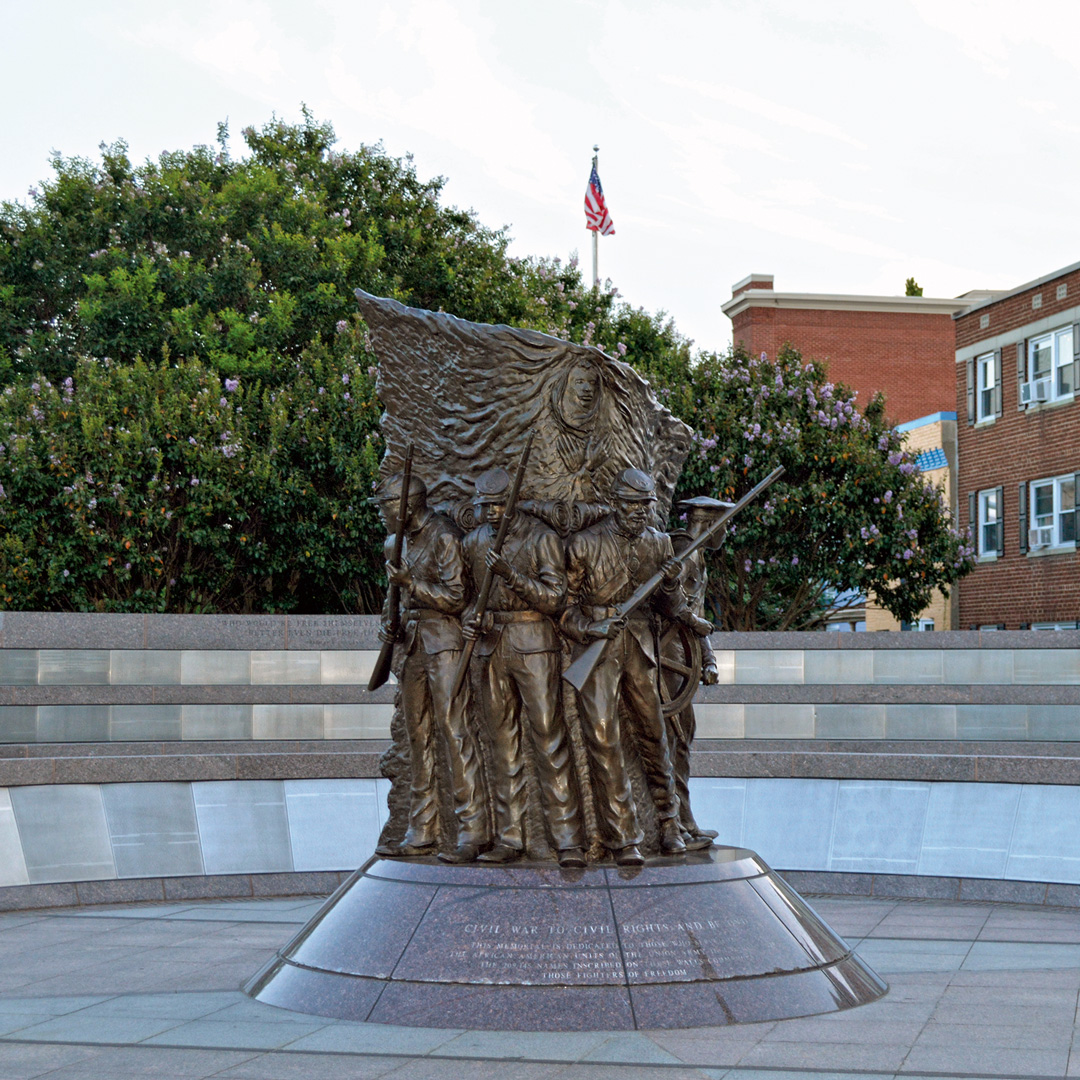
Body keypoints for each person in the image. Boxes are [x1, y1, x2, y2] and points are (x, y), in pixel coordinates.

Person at [561, 468, 713, 865]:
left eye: (645, 507)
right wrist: (592, 626)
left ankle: (669, 823)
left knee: (654, 734)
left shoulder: (659, 543)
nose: (638, 514)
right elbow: (563, 610)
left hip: (641, 648)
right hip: (596, 651)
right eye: (631, 506)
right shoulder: (583, 545)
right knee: (603, 738)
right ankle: (623, 835)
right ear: (615, 505)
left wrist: (672, 589)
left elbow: (670, 604)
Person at [461, 468, 586, 868]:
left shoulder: (541, 537)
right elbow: (465, 598)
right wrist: (470, 617)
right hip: (490, 646)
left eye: (499, 505)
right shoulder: (474, 541)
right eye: (485, 507)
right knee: (502, 745)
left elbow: (554, 598)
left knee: (549, 740)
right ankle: (509, 837)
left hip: (534, 644)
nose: (492, 513)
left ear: (515, 504)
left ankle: (568, 840)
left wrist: (512, 577)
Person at [373, 472, 487, 863]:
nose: (382, 516)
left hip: (444, 643)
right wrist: (389, 621)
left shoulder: (444, 536)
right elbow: (395, 600)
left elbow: (458, 597)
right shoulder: (394, 543)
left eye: (386, 507)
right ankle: (422, 829)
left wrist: (412, 585)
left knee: (455, 733)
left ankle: (471, 829)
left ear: (407, 506)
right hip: (411, 646)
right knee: (418, 739)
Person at [665, 495, 734, 849]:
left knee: (682, 740)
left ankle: (685, 819)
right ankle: (674, 823)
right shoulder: (681, 552)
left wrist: (707, 659)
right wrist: (699, 644)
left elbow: (698, 617)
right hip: (669, 656)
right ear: (709, 524)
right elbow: (674, 606)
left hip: (685, 654)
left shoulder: (697, 557)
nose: (726, 532)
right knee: (674, 739)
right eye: (724, 524)